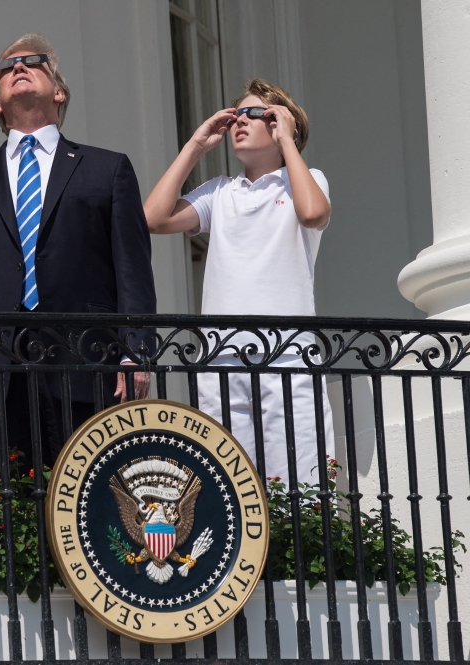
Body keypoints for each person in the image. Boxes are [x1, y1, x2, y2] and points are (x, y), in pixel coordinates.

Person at [0, 34, 157, 480]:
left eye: (33, 62)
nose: (19, 67)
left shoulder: (107, 169)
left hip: (87, 362)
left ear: (59, 91)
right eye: (7, 67)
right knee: (15, 514)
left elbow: (133, 269)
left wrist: (136, 353)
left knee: (91, 507)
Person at [144, 79, 334, 489]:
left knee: (300, 492)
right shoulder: (221, 192)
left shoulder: (306, 178)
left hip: (287, 357)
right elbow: (154, 218)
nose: (239, 123)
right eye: (236, 116)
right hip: (221, 360)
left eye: (254, 115)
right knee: (228, 491)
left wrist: (288, 142)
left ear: (282, 125)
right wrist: (196, 144)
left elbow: (314, 213)